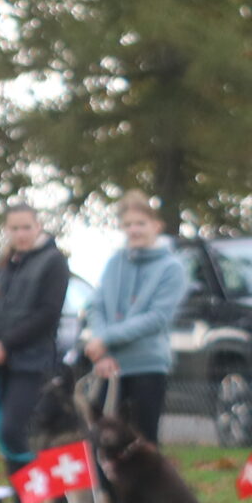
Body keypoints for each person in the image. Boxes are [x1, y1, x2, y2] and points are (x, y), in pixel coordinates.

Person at [0, 203, 71, 495]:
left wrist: (5, 343)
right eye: (15, 228)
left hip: (32, 362)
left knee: (13, 429)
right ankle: (25, 497)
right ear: (7, 230)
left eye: (26, 227)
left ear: (38, 227)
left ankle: (33, 496)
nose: (21, 233)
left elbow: (48, 313)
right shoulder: (1, 265)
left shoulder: (53, 262)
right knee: (4, 430)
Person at [81, 191, 186, 446]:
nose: (134, 230)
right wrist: (102, 351)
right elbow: (96, 305)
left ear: (156, 226)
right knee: (102, 440)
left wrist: (105, 339)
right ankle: (105, 488)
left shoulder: (171, 268)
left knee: (142, 441)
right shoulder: (114, 262)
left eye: (140, 223)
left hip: (147, 365)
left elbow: (157, 318)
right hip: (109, 366)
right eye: (128, 225)